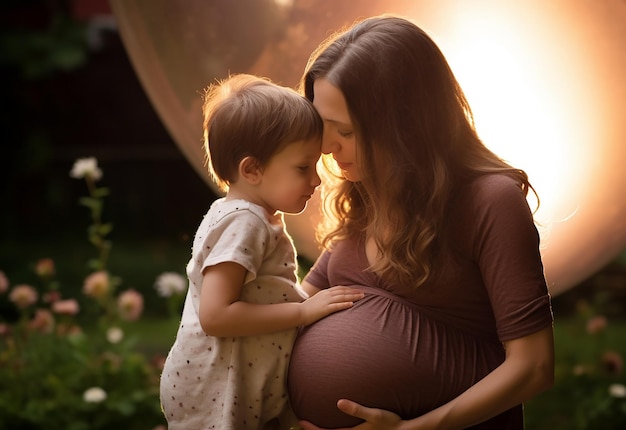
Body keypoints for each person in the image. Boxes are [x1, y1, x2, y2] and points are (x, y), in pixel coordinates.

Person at [286, 15, 555, 430]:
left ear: (407, 124)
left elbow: (533, 366)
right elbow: (295, 307)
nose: (326, 147)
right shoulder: (365, 198)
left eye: (347, 131)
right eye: (323, 128)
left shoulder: (489, 202)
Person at [159, 73, 364, 430]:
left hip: (235, 387)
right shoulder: (244, 222)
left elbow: (265, 291)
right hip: (215, 392)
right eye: (303, 167)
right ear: (252, 169)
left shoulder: (254, 218)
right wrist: (302, 312)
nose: (316, 180)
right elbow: (216, 315)